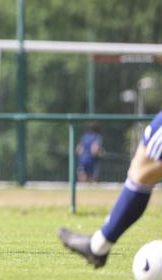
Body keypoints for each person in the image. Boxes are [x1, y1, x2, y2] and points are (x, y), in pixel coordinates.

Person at [58, 111, 162, 268]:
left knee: (142, 169)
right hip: (90, 161)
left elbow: (80, 149)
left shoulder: (86, 137)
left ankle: (97, 247)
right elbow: (94, 149)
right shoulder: (95, 137)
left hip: (84, 161)